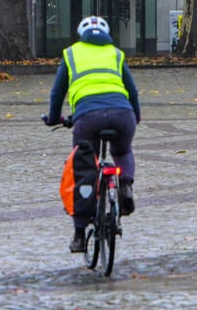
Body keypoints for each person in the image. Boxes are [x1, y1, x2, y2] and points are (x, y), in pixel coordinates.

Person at [46, 15, 141, 252]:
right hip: (123, 114)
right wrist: (135, 115)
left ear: (81, 34)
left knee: (84, 169)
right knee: (123, 151)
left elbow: (58, 93)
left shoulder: (71, 54)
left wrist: (53, 117)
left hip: (88, 117)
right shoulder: (116, 54)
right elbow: (132, 90)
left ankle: (79, 235)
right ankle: (126, 186)